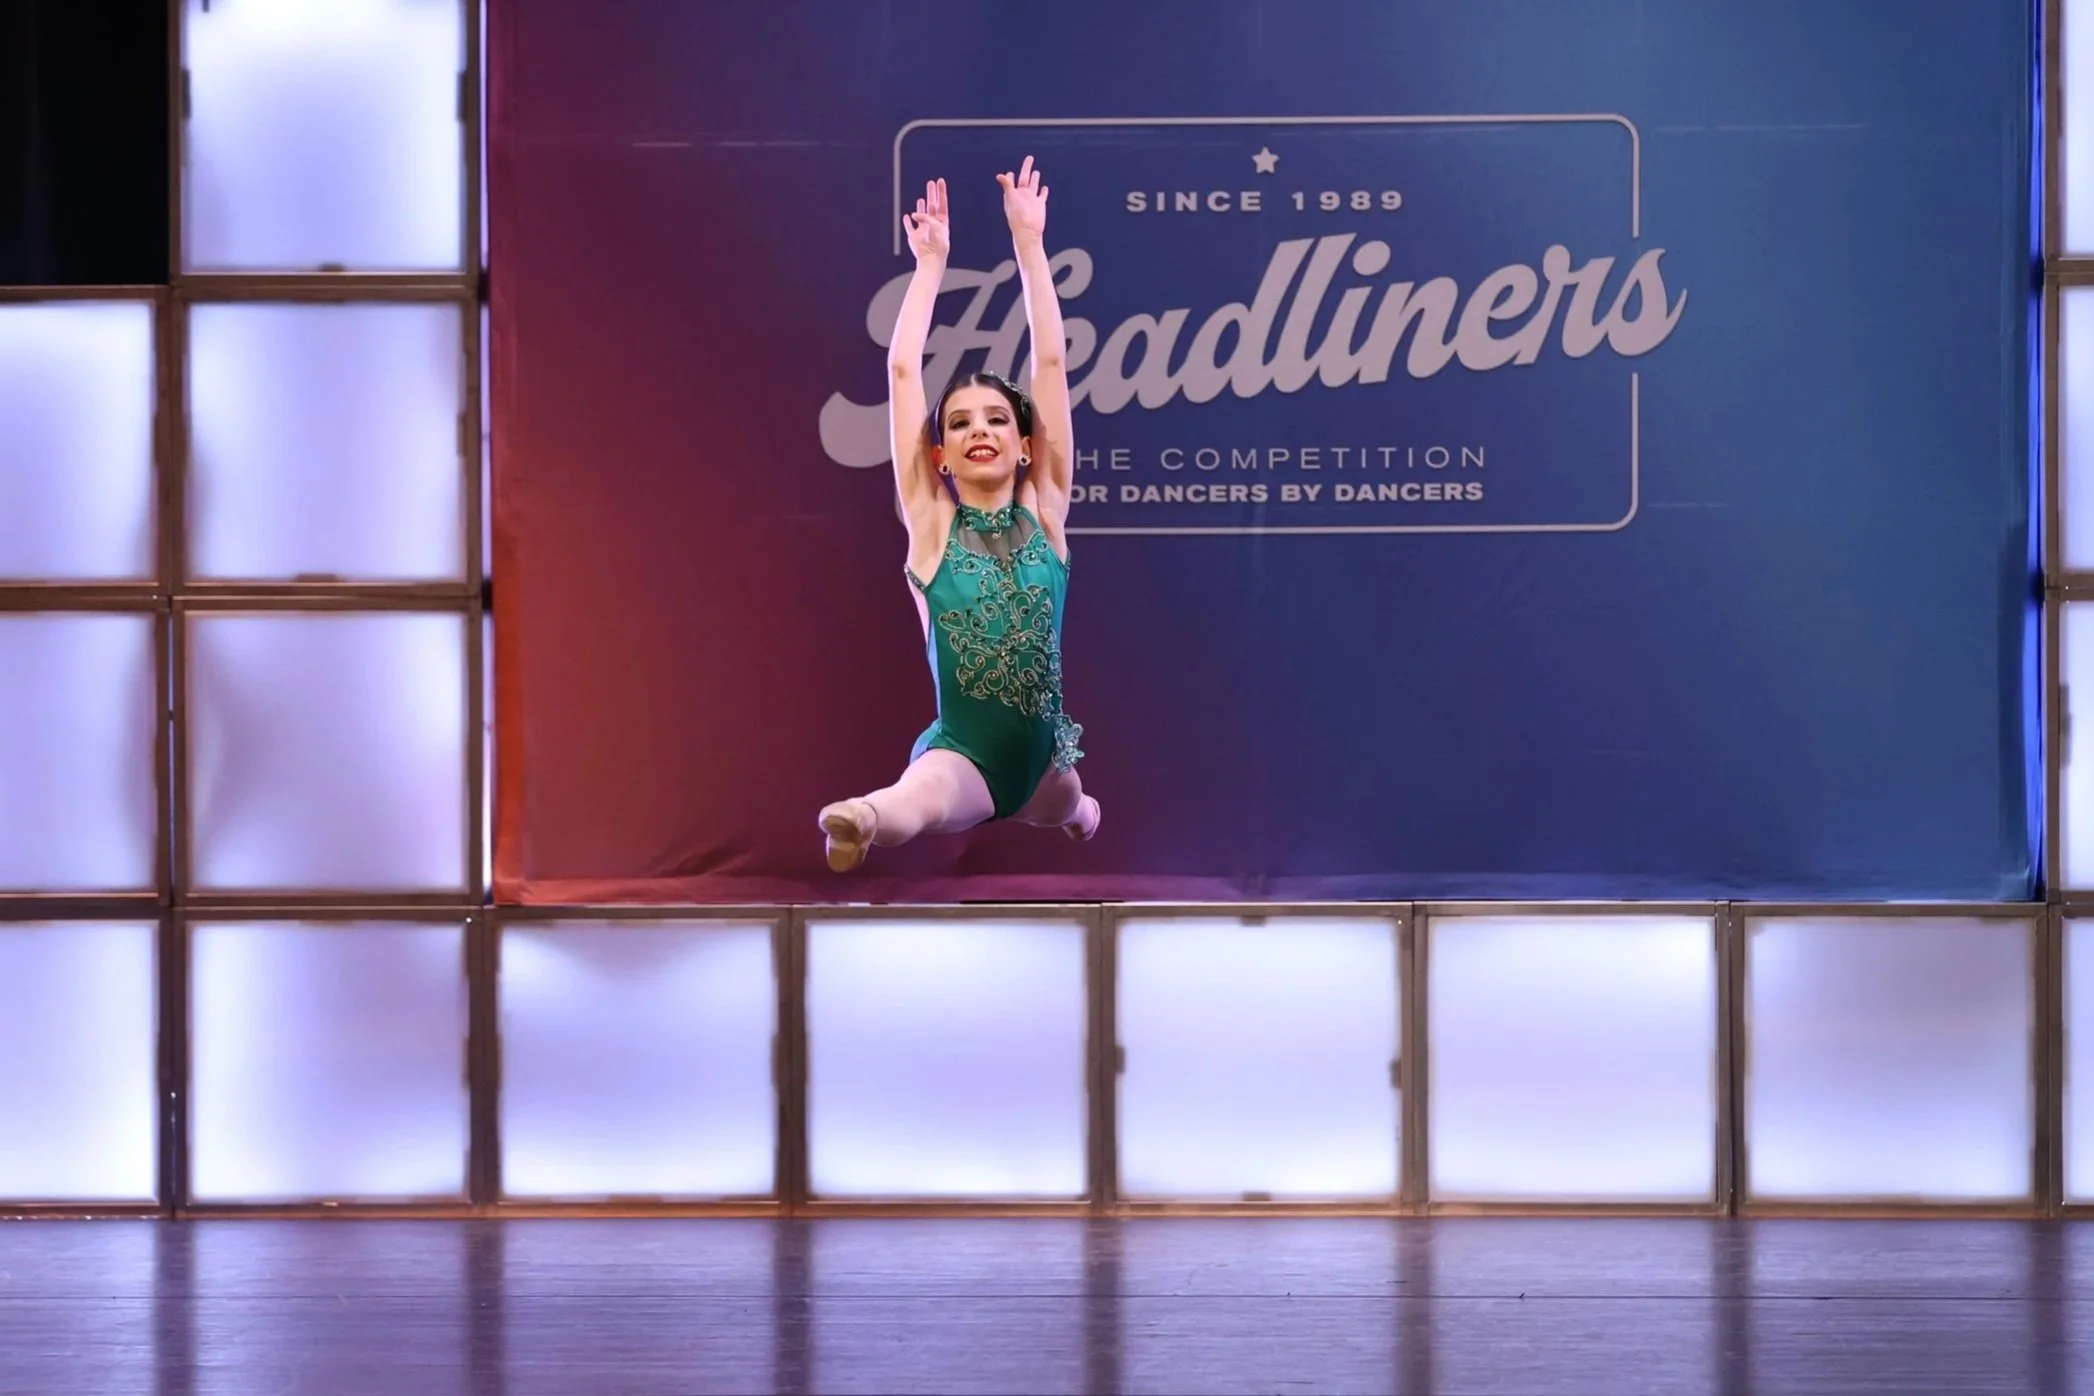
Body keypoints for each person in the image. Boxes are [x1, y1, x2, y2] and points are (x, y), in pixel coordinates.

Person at [818, 157, 1101, 872]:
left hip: (1044, 762)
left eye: (998, 419)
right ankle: (861, 816)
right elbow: (903, 373)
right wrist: (930, 265)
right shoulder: (933, 526)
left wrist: (1030, 246)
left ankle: (1084, 817)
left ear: (1025, 444)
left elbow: (1051, 364)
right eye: (963, 422)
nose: (981, 429)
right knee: (922, 798)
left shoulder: (1046, 514)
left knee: (1071, 802)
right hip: (966, 753)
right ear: (940, 454)